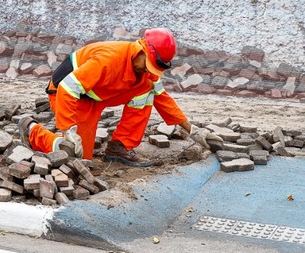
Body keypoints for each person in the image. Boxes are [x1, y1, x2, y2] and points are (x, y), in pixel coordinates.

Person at [18, 28, 223, 166]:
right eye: (147, 64)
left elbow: (163, 99)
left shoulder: (147, 72)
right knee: (76, 156)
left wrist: (193, 130)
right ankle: (32, 130)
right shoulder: (108, 60)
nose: (147, 70)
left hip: (99, 94)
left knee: (147, 91)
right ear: (140, 49)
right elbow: (67, 89)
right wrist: (68, 131)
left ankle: (119, 147)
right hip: (71, 95)